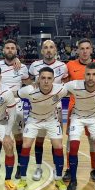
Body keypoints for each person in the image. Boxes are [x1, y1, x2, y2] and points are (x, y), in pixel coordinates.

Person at [64, 62, 95, 190]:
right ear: (84, 75)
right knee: (73, 147)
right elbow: (56, 90)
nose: (91, 77)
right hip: (77, 117)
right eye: (88, 74)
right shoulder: (73, 85)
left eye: (94, 74)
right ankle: (73, 180)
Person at [17, 67, 68, 190]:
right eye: (43, 78)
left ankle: (59, 178)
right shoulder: (29, 90)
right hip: (34, 120)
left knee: (58, 146)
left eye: (49, 78)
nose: (46, 81)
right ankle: (23, 179)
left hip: (51, 120)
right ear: (38, 79)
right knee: (26, 145)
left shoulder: (61, 90)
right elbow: (14, 94)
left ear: (53, 80)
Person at [64, 38, 95, 183]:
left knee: (93, 140)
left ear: (91, 50)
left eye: (87, 48)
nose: (84, 51)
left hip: (93, 110)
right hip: (74, 109)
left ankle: (94, 169)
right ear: (77, 50)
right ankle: (69, 169)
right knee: (71, 140)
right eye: (81, 48)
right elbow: (64, 86)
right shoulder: (69, 65)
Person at [0, 39, 31, 180]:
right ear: (3, 50)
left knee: (18, 136)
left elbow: (29, 83)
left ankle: (19, 165)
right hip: (0, 105)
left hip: (17, 105)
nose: (10, 50)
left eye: (13, 48)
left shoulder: (22, 67)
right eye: (7, 48)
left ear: (16, 51)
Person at [28, 40, 68, 181]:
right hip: (38, 107)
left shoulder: (63, 66)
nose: (49, 50)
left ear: (56, 49)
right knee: (39, 140)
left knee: (55, 140)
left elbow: (66, 84)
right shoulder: (34, 66)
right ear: (42, 51)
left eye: (51, 47)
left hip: (55, 108)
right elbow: (28, 82)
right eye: (46, 47)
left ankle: (57, 169)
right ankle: (38, 167)